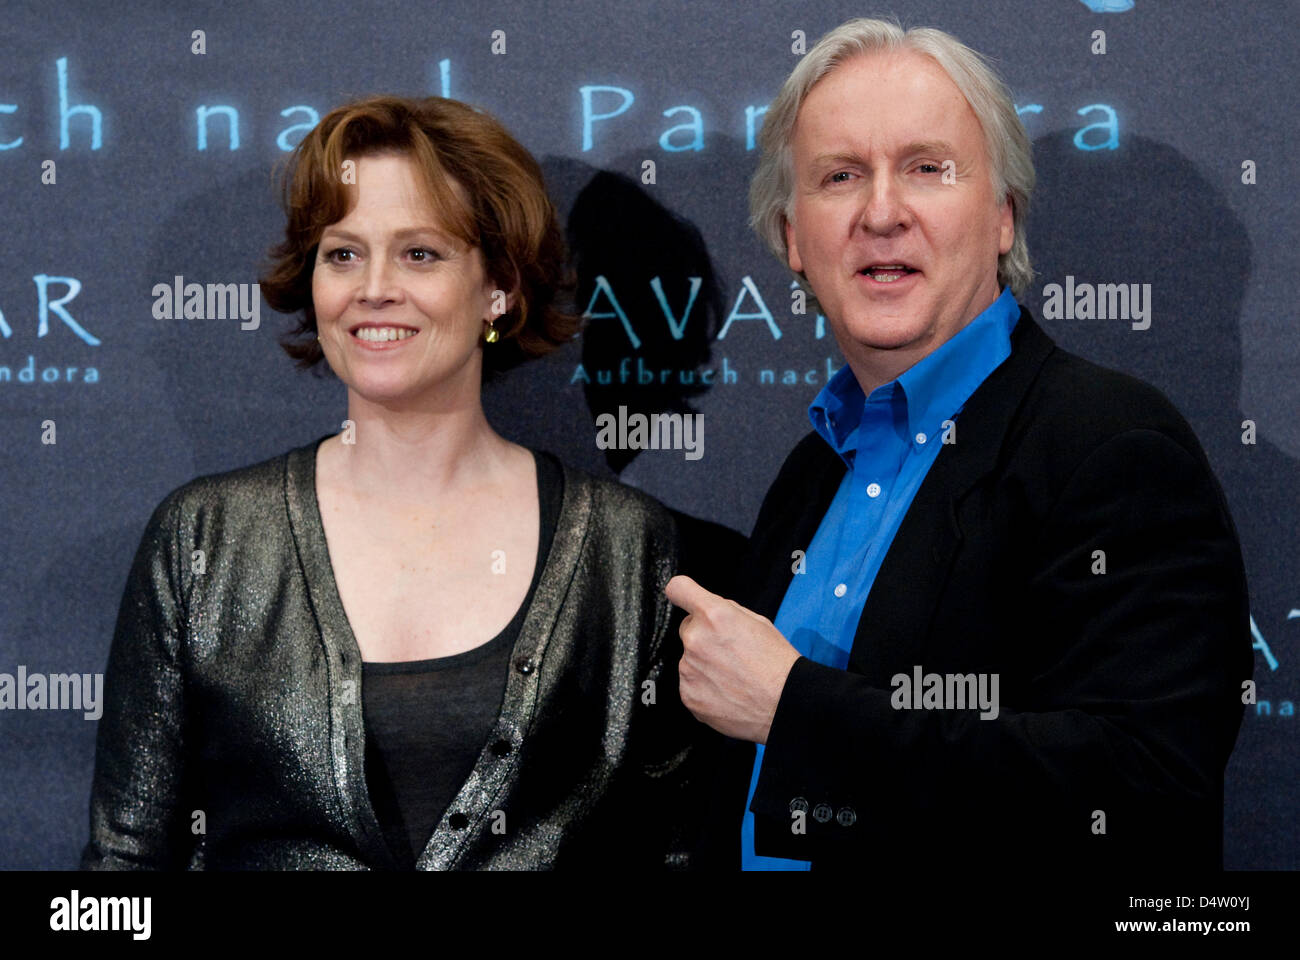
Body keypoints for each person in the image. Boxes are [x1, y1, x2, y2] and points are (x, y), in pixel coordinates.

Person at [668, 18, 1252, 871]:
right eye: (839, 177)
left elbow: (1145, 785)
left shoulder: (1110, 441)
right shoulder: (814, 468)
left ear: (1003, 217)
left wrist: (798, 707)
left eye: (926, 169)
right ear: (794, 238)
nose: (881, 212)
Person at [81, 95, 704, 870]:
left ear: (498, 288)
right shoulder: (203, 538)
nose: (373, 288)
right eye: (343, 253)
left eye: (421, 254)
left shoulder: (626, 546)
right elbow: (122, 868)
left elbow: (670, 856)